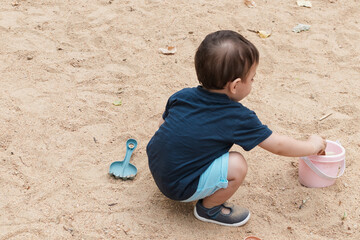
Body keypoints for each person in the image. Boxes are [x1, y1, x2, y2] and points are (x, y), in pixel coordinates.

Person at [146, 30, 326, 227]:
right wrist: (312, 145)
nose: (253, 82)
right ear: (235, 85)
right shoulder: (237, 117)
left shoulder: (182, 96)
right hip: (179, 188)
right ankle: (209, 209)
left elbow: (163, 126)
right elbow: (279, 145)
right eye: (252, 78)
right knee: (237, 164)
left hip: (158, 167)